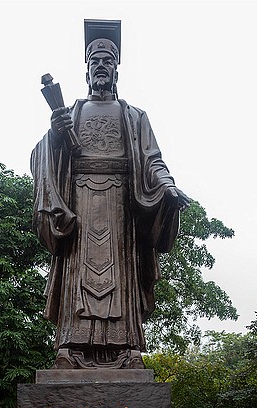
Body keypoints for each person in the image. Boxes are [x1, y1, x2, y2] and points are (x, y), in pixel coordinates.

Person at [31, 22, 191, 369]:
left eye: (107, 61)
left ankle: (127, 348)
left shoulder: (134, 116)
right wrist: (56, 136)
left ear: (116, 69)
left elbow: (153, 160)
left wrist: (168, 187)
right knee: (78, 272)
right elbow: (43, 156)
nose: (101, 67)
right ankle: (70, 347)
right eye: (95, 62)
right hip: (80, 203)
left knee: (121, 276)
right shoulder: (71, 113)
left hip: (121, 204)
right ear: (86, 70)